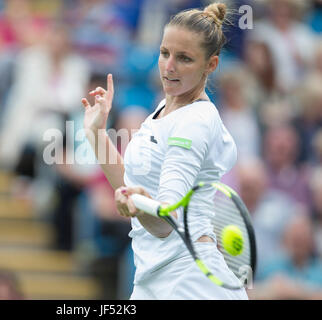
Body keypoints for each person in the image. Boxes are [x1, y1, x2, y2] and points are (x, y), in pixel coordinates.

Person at [81, 3, 247, 299]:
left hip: (191, 281)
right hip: (152, 276)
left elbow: (164, 221)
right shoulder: (163, 109)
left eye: (184, 58)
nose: (169, 67)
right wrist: (96, 132)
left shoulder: (195, 122)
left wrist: (139, 203)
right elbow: (129, 188)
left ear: (211, 65)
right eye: (164, 53)